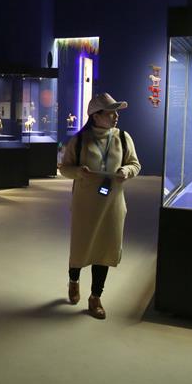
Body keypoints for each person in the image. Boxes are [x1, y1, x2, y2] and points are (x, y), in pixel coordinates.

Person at [59, 93, 141, 319]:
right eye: (110, 112)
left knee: (105, 249)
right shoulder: (80, 139)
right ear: (96, 116)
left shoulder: (123, 137)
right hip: (85, 203)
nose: (116, 116)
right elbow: (64, 168)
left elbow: (135, 163)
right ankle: (74, 280)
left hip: (113, 202)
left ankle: (96, 297)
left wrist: (127, 171)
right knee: (81, 246)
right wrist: (78, 172)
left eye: (116, 112)